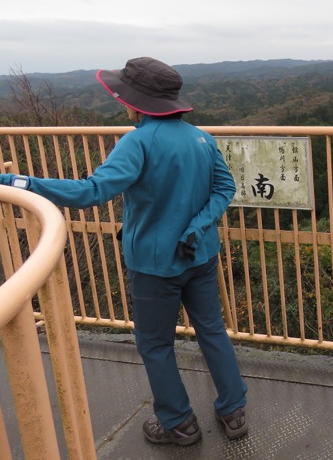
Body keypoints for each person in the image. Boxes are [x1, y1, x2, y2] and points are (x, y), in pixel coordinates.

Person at [0, 57, 248, 446]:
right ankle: (233, 410)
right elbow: (224, 189)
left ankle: (178, 422)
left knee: (154, 343)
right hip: (201, 255)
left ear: (135, 102)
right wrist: (197, 227)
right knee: (212, 330)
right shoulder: (202, 137)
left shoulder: (137, 141)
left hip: (154, 264)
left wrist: (19, 182)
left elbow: (91, 192)